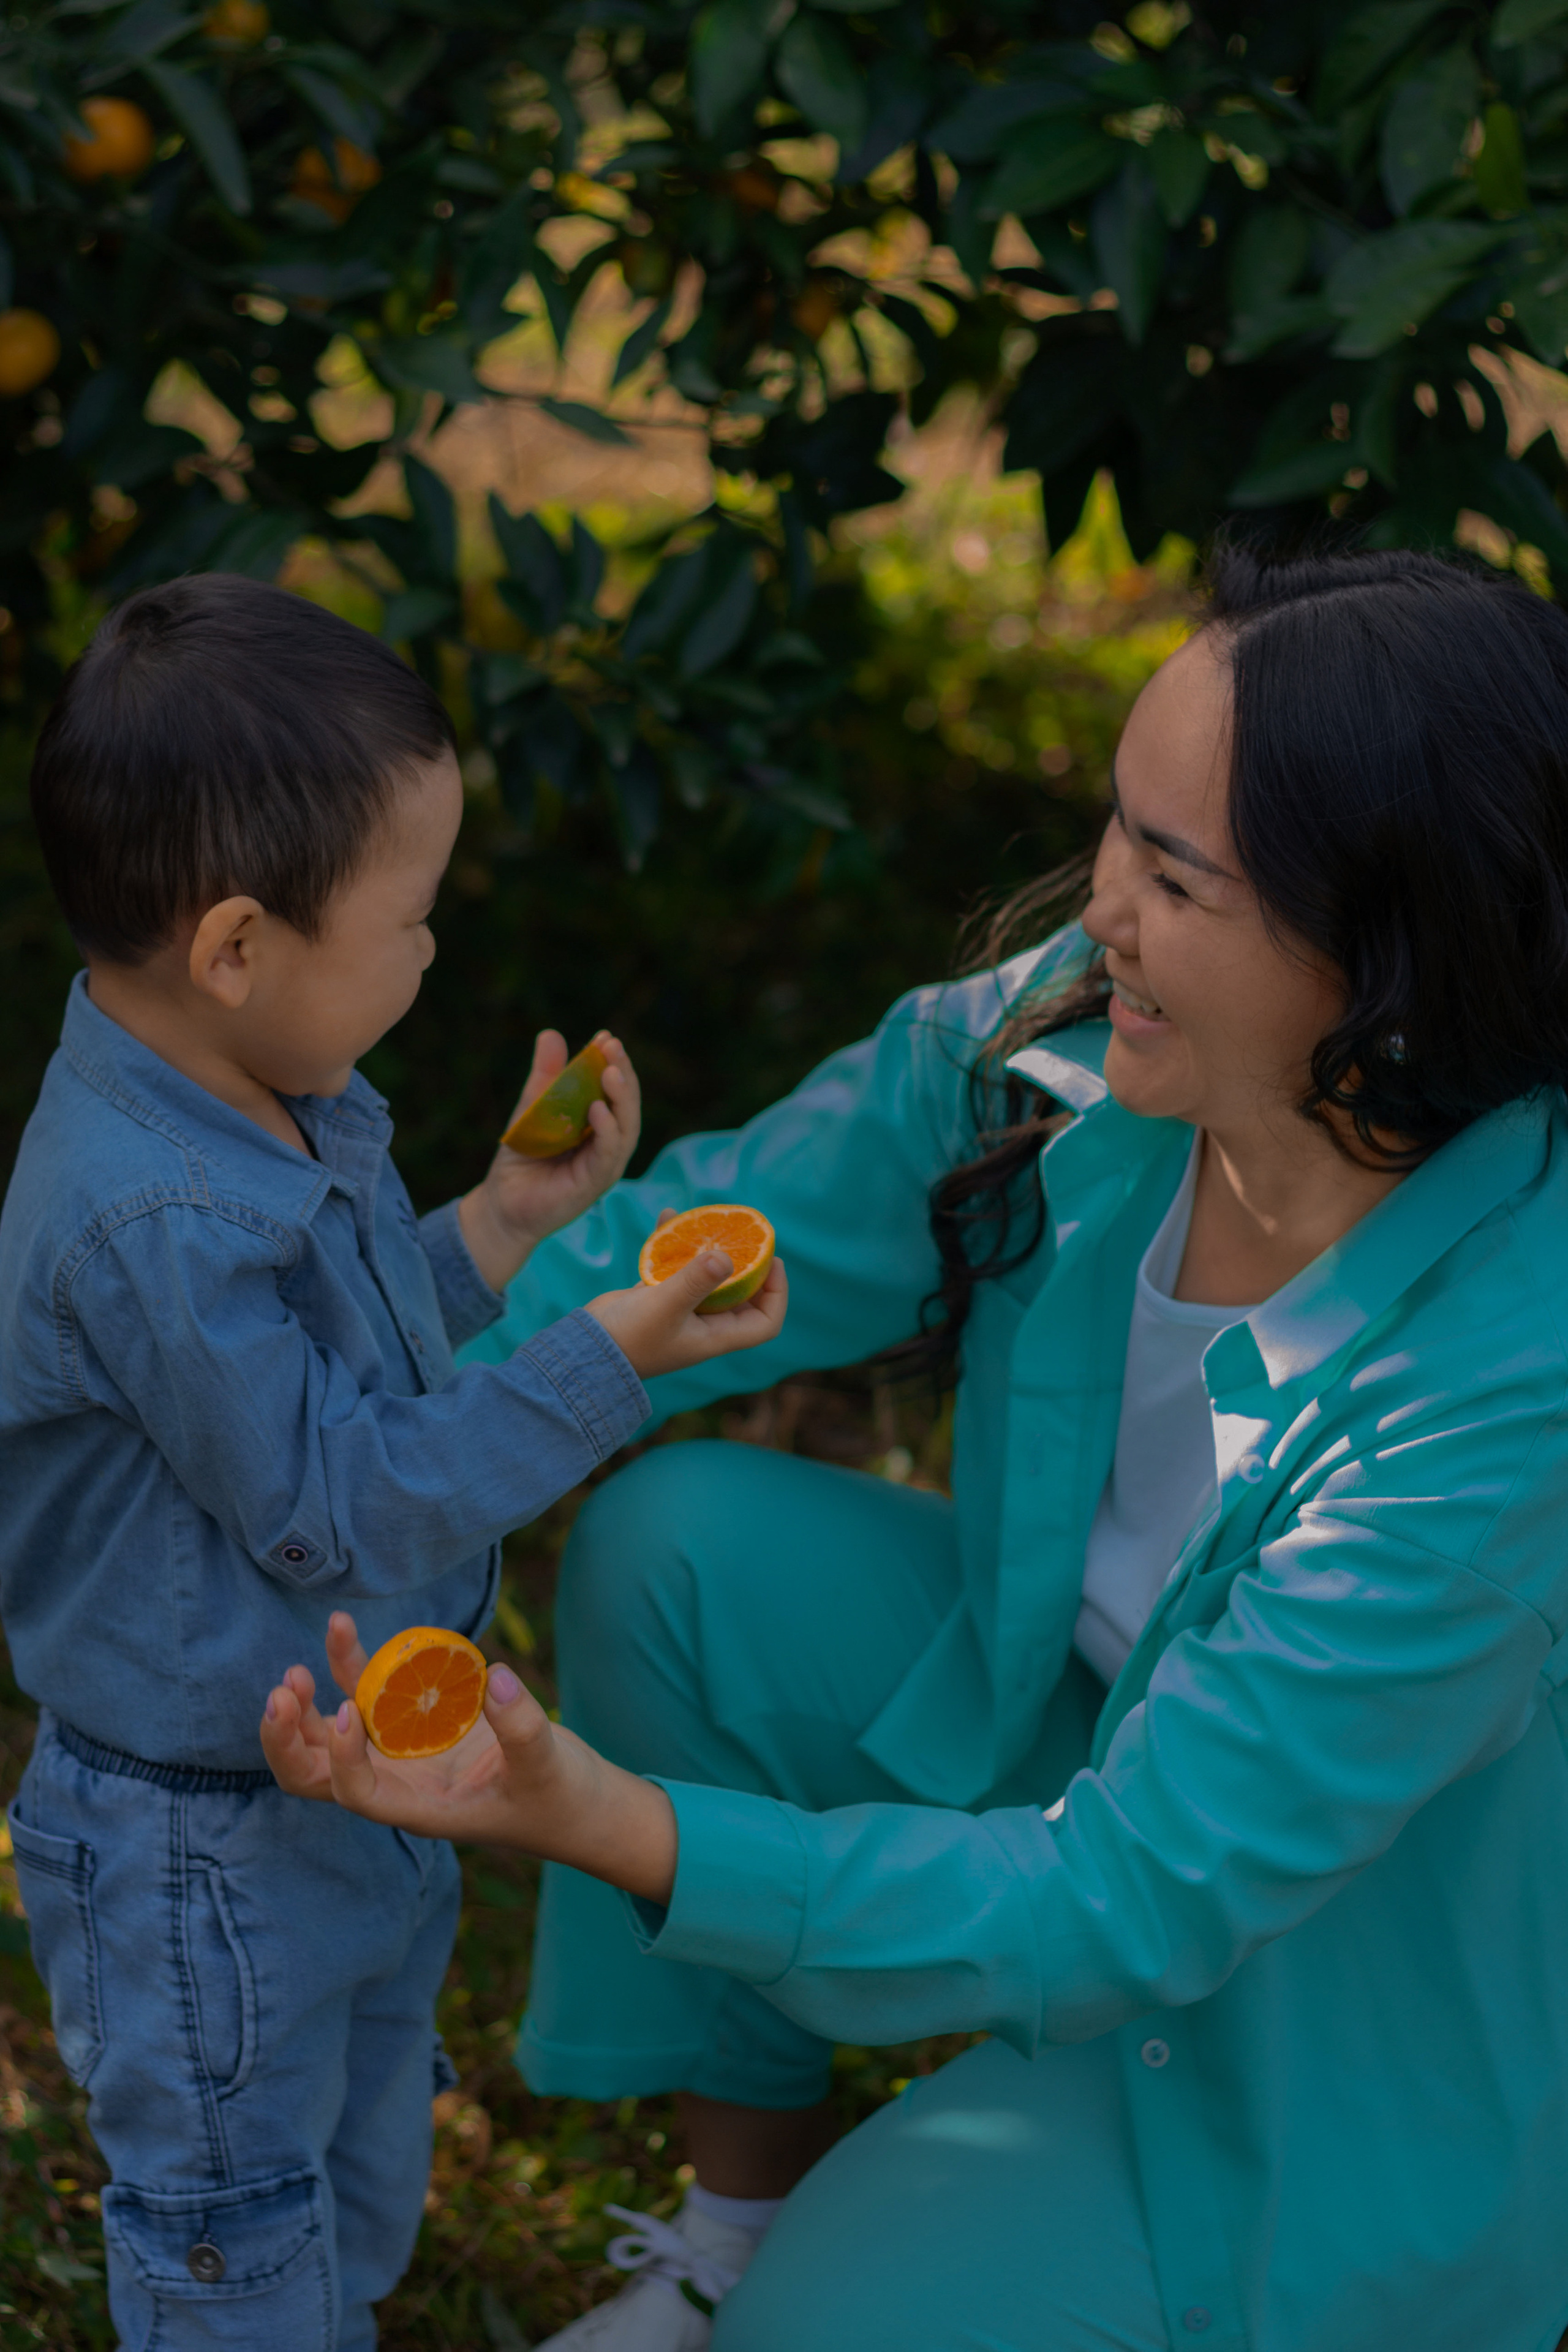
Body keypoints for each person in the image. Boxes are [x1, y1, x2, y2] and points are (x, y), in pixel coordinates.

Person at [263, 545, 1568, 2352]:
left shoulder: (1504, 1388)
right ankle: (728, 2238)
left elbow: (1132, 1891)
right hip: (1076, 1734)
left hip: (1328, 2010)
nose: (1103, 908)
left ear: (1392, 959)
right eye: (1119, 831)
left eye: (1178, 879)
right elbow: (712, 1238)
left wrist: (610, 1823)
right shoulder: (1087, 1044)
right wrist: (315, 1427)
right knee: (687, 1557)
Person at [0, 576, 785, 2352]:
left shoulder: (249, 1093)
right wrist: (603, 1361)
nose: (432, 955)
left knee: (352, 2165)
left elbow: (330, 1364)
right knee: (233, 2228)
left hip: (327, 1773)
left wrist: (499, 1225)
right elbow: (331, 1503)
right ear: (235, 947)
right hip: (197, 1844)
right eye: (412, 919)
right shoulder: (154, 1220)